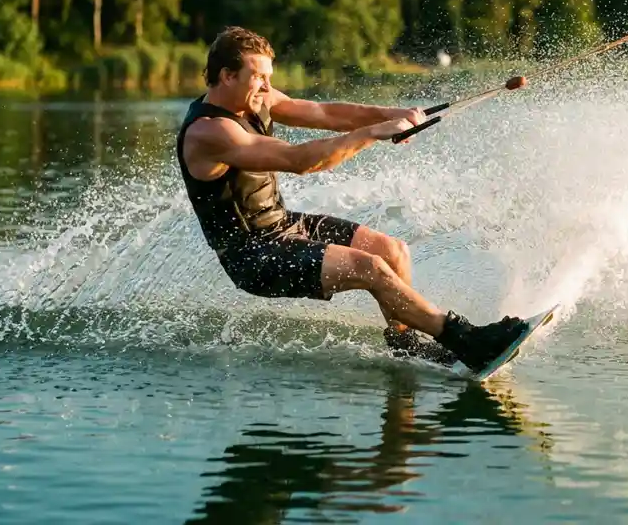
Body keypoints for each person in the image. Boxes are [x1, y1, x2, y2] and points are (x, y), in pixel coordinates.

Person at [175, 26, 530, 374]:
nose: (268, 88)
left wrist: (394, 116)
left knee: (392, 252)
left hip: (282, 224)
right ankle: (466, 340)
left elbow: (329, 114)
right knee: (370, 269)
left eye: (269, 77)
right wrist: (373, 133)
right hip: (254, 255)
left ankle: (406, 347)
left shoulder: (254, 98)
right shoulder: (210, 132)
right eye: (259, 78)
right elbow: (299, 160)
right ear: (226, 76)